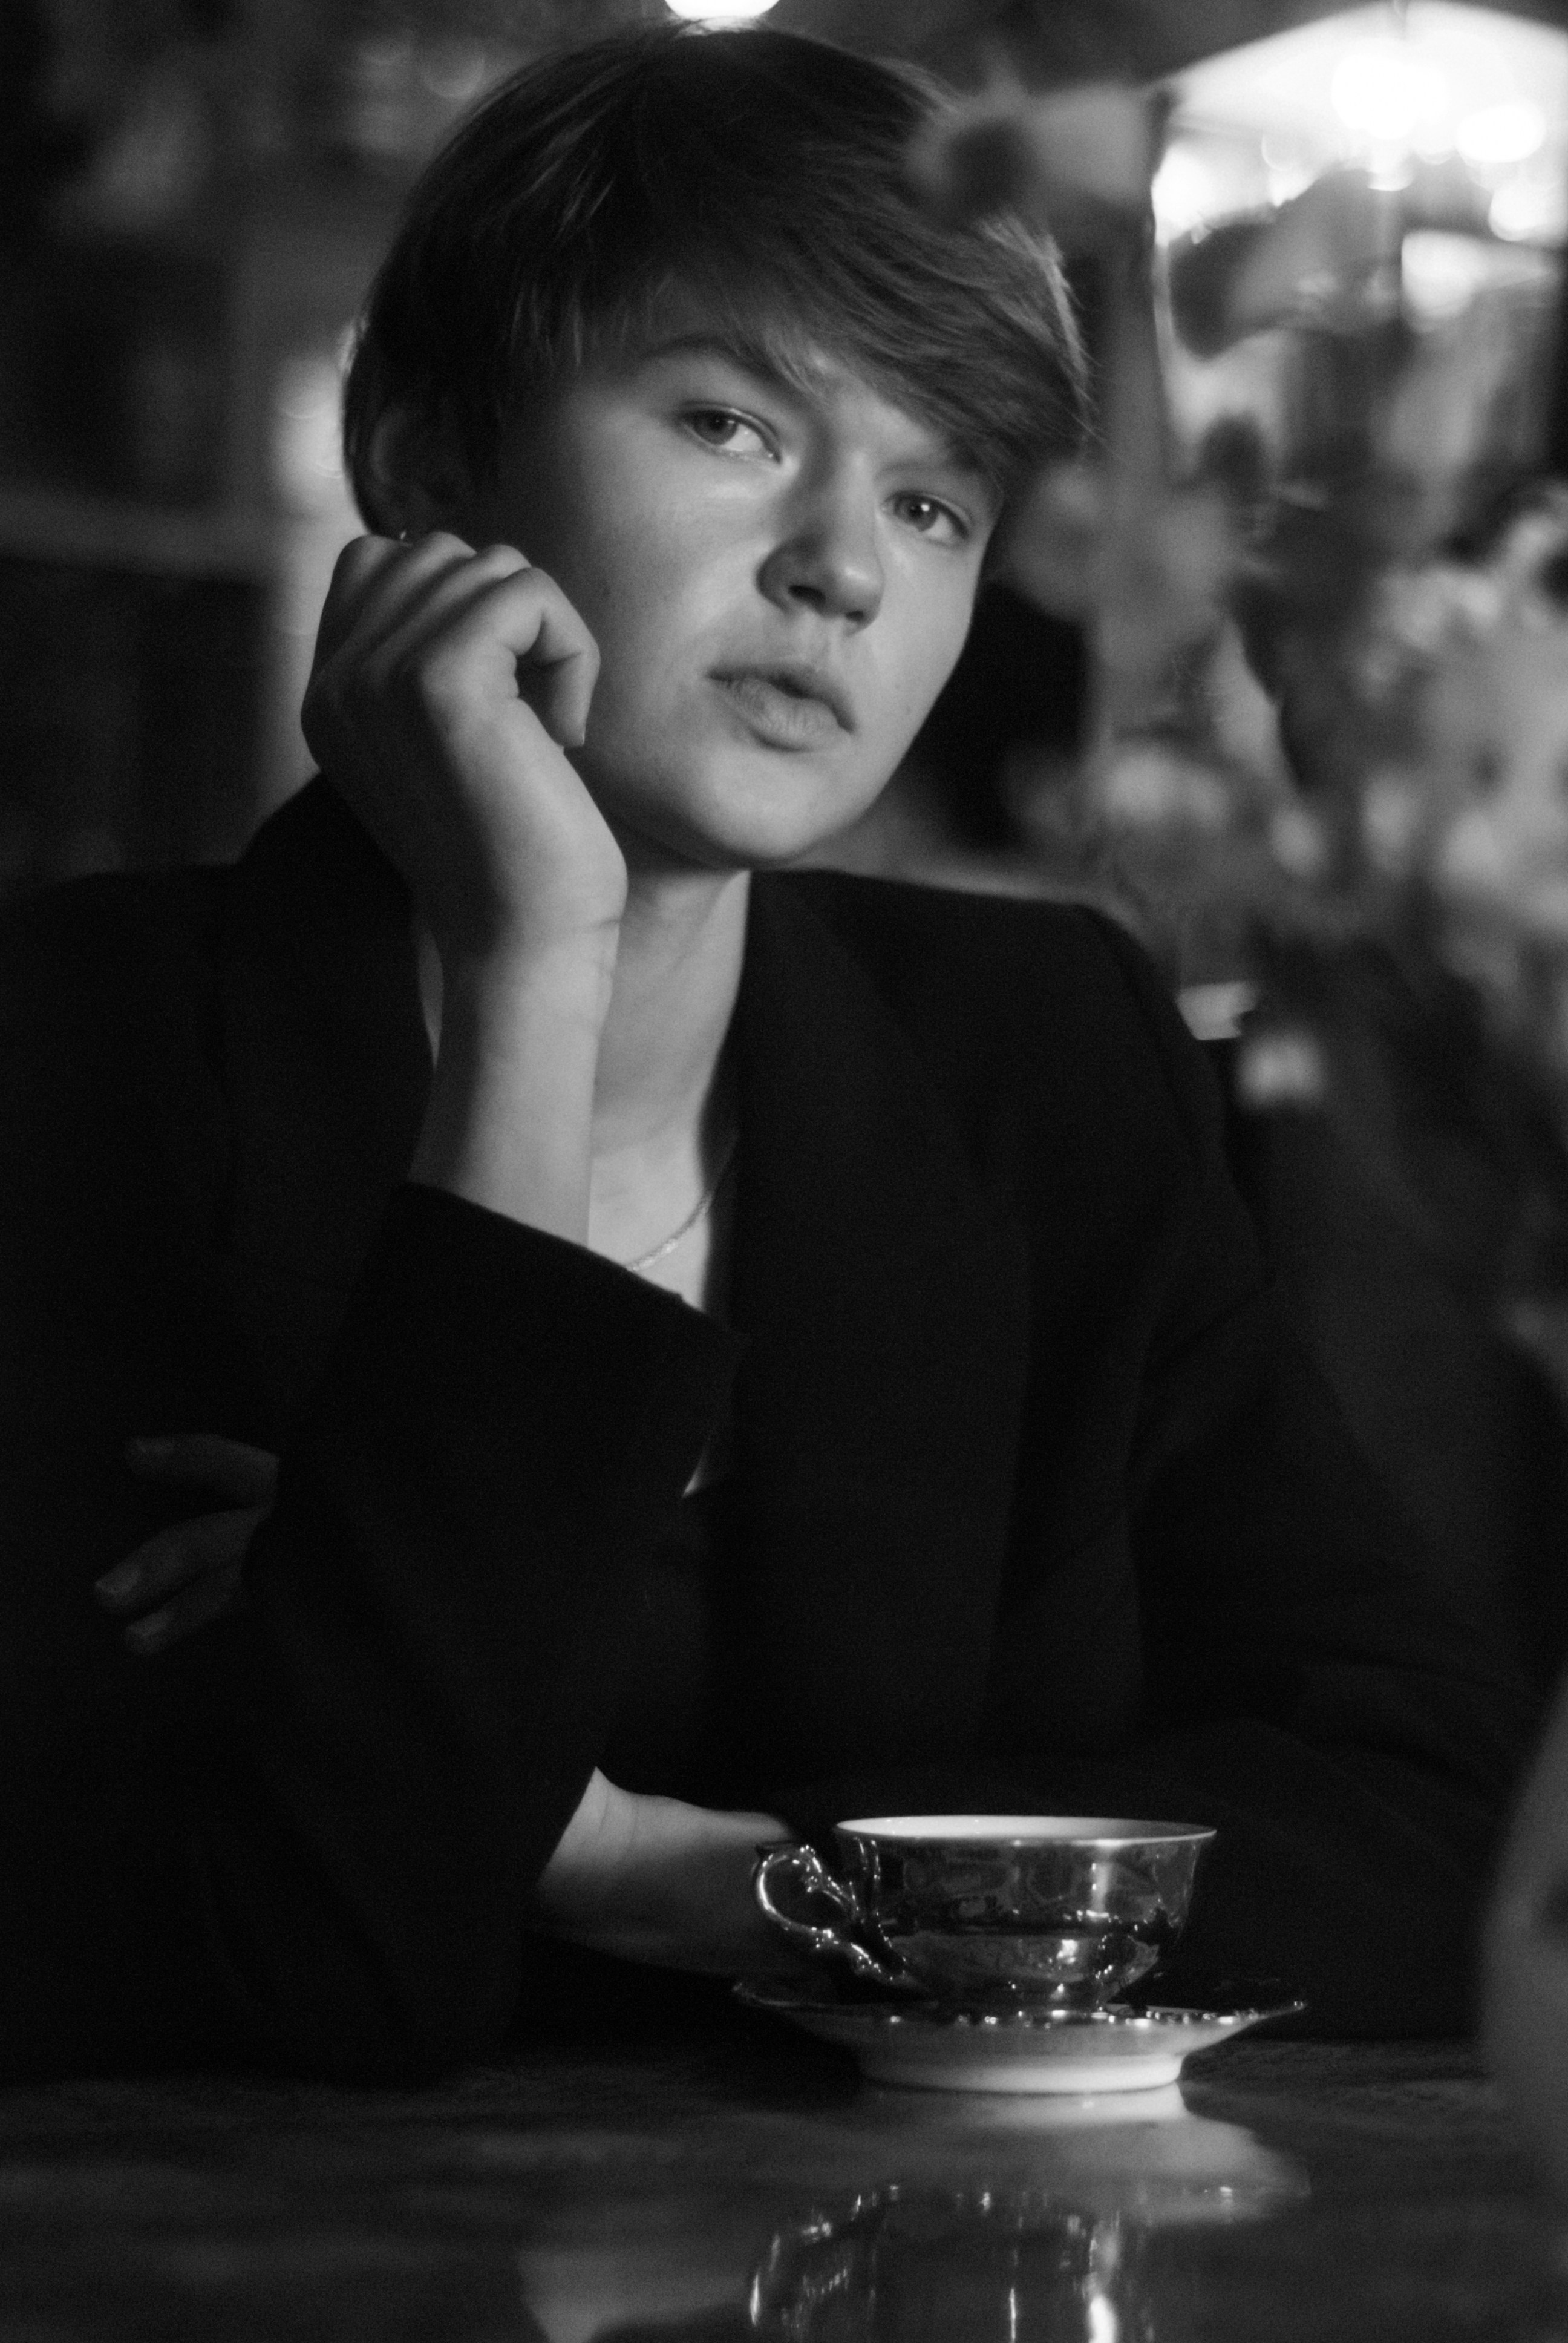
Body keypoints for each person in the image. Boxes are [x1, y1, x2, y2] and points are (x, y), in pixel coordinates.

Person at [0, 24, 1538, 2085]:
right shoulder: (74, 1055)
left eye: (934, 499)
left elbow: (1441, 1841)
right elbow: (322, 1967)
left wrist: (662, 1867)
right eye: (731, 423)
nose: (845, 568)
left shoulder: (1042, 1054)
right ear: (427, 460)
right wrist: (533, 960)